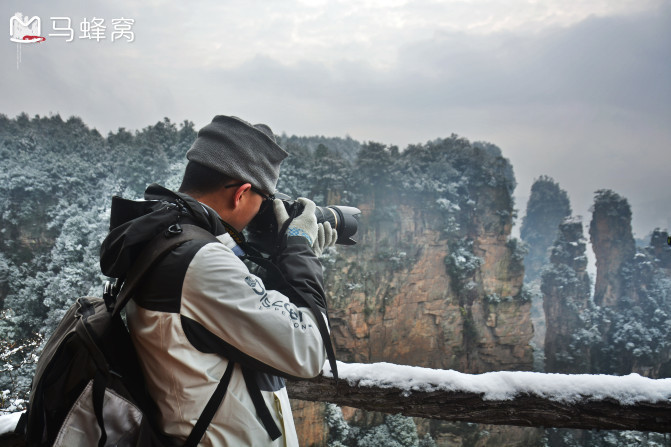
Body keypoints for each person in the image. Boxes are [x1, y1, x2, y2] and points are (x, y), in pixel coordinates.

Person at [99, 115, 337, 446]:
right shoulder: (200, 260)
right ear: (240, 193)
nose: (261, 212)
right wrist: (299, 250)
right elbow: (309, 350)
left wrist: (276, 258)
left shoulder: (167, 238)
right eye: (262, 202)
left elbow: (249, 315)